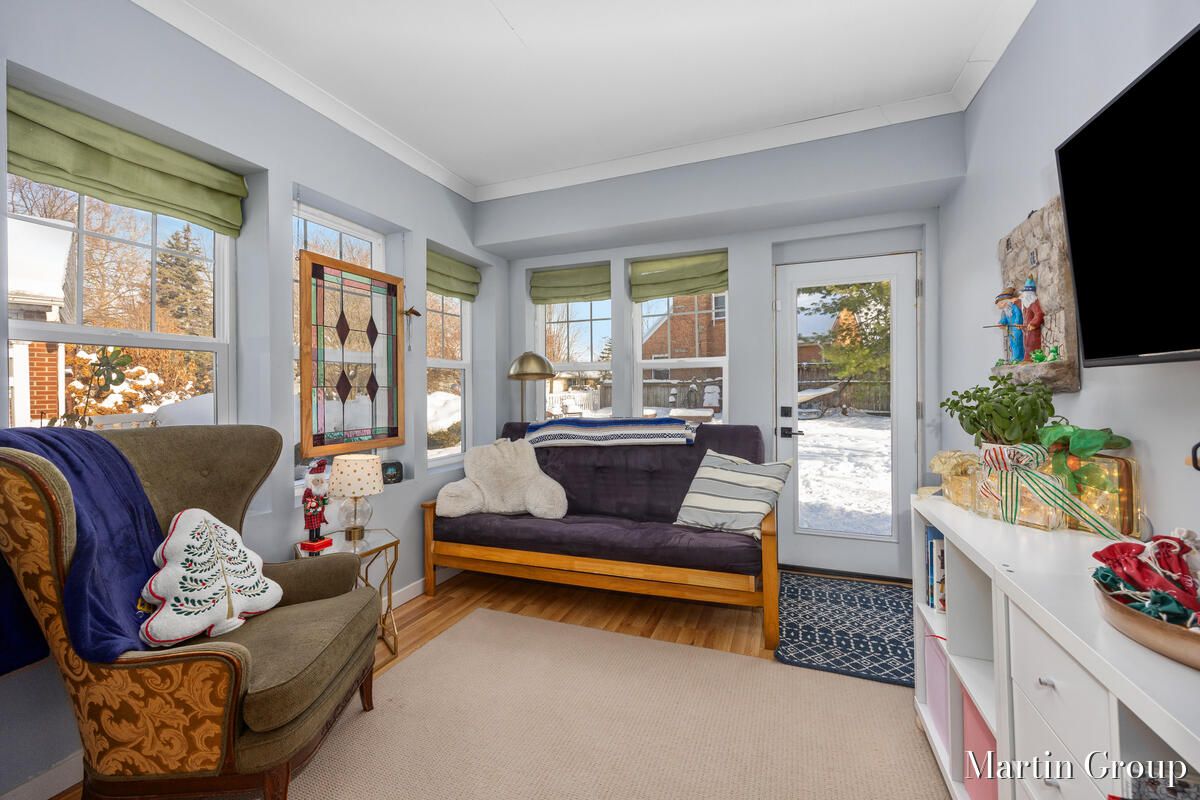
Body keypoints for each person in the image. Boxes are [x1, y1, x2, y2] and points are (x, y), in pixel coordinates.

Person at [994, 288, 1024, 363]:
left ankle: (1018, 357)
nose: (999, 306)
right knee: (1012, 343)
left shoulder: (1014, 307)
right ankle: (1015, 357)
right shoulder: (1005, 311)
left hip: (1017, 328)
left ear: (1005, 301)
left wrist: (1018, 322)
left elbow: (1018, 315)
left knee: (1017, 341)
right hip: (1011, 329)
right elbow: (1004, 319)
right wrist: (1001, 323)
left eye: (1000, 303)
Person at [1019, 275, 1044, 361]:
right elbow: (1026, 319)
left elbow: (1039, 314)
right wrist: (1022, 326)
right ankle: (1027, 358)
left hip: (1033, 330)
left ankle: (1032, 358)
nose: (1023, 296)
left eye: (1024, 293)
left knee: (1032, 343)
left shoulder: (1033, 303)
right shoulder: (1026, 305)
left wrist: (1033, 324)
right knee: (1027, 344)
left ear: (1029, 294)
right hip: (1027, 331)